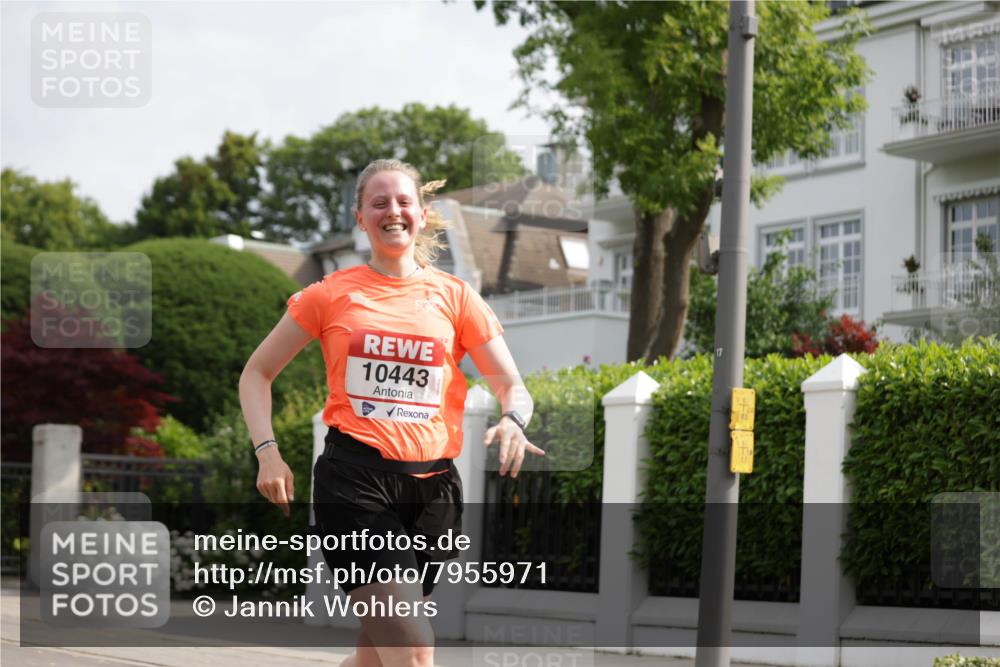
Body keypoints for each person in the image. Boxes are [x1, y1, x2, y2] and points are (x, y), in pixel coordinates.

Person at [239, 158, 542, 667]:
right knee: (414, 650)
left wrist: (513, 420)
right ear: (361, 218)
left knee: (377, 657)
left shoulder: (455, 296)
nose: (393, 211)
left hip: (433, 493)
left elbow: (513, 386)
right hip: (355, 485)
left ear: (422, 213)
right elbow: (256, 373)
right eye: (378, 203)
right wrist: (267, 452)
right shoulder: (329, 295)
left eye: (403, 201)